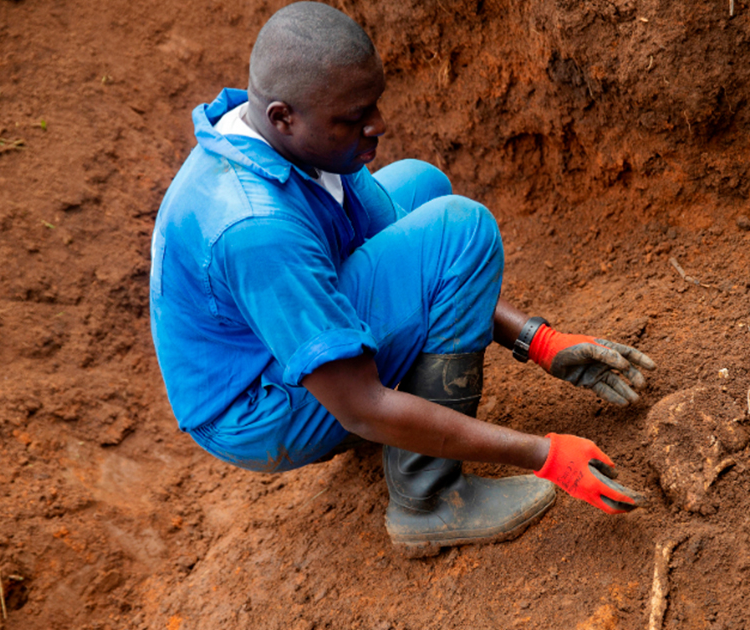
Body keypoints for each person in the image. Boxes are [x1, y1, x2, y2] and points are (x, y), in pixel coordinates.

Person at [149, 1, 657, 558]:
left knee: (422, 186)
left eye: (373, 106)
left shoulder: (282, 139)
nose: (378, 126)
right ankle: (429, 498)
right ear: (282, 116)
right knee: (461, 228)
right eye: (353, 118)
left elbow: (430, 272)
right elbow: (360, 405)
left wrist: (537, 340)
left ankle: (416, 443)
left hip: (273, 344)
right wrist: (545, 456)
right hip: (255, 410)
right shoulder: (255, 228)